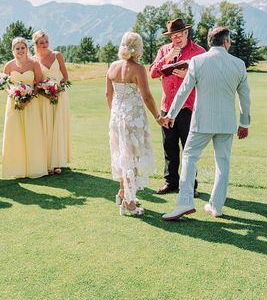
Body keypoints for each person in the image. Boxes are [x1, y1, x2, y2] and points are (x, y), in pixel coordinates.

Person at [161, 26, 251, 221]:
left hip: (201, 121)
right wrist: (244, 123)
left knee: (189, 157)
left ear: (210, 42)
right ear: (226, 42)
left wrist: (171, 114)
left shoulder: (197, 61)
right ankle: (216, 207)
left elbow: (184, 90)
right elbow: (245, 97)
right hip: (226, 123)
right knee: (223, 164)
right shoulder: (239, 64)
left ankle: (185, 202)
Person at [106, 32, 162, 216]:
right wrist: (158, 116)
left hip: (116, 117)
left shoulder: (113, 66)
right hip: (133, 119)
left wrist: (114, 114)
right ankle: (129, 204)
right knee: (132, 157)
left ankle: (123, 192)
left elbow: (108, 95)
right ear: (138, 48)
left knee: (123, 155)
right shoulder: (138, 68)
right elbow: (146, 96)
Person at [149, 18, 205, 197]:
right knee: (169, 147)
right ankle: (170, 182)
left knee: (189, 148)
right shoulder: (164, 50)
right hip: (167, 107)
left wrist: (188, 74)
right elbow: (152, 73)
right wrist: (167, 58)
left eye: (179, 35)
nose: (176, 39)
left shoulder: (199, 52)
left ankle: (190, 186)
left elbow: (207, 79)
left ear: (187, 33)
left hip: (188, 107)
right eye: (173, 36)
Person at [2, 37, 48, 179]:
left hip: (31, 104)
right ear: (13, 50)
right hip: (14, 104)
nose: (20, 51)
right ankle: (17, 169)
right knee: (16, 135)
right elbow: (5, 84)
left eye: (23, 48)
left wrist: (27, 99)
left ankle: (34, 168)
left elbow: (38, 84)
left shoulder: (34, 64)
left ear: (27, 49)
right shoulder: (9, 66)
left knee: (32, 133)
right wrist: (13, 95)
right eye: (17, 48)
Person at [32, 30, 71, 175]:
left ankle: (57, 162)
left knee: (57, 126)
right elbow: (36, 81)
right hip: (43, 98)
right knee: (45, 127)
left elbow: (65, 77)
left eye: (46, 41)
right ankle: (47, 162)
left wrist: (58, 90)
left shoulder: (57, 55)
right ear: (36, 44)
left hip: (60, 96)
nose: (44, 44)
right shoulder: (33, 60)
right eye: (41, 42)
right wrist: (47, 93)